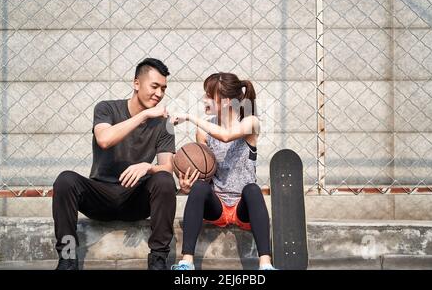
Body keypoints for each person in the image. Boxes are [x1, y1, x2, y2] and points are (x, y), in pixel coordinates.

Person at [52, 58, 176, 270]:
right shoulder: (106, 108)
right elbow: (104, 139)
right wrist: (144, 115)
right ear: (136, 83)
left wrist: (148, 167)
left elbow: (167, 168)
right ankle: (67, 259)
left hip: (135, 199)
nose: (159, 94)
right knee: (65, 180)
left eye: (163, 88)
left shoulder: (164, 124)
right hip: (100, 196)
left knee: (164, 180)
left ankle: (158, 260)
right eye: (154, 86)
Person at [170, 72, 276, 270]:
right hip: (217, 205)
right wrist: (188, 186)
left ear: (226, 101)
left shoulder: (250, 122)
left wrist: (189, 117)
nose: (204, 99)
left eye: (208, 95)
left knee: (253, 189)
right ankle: (187, 262)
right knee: (200, 187)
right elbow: (203, 171)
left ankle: (265, 265)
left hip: (242, 207)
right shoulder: (204, 130)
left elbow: (226, 136)